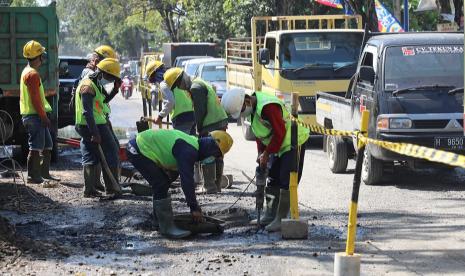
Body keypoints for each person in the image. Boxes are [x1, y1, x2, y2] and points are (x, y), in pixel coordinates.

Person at [221, 89, 310, 232]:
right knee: (273, 176)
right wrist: (261, 153)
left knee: (286, 180)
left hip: (293, 140)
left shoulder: (268, 107)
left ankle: (281, 219)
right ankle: (270, 215)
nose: (242, 114)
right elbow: (260, 134)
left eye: (242, 110)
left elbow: (280, 132)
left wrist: (267, 153)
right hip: (277, 145)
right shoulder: (253, 111)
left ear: (248, 100)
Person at [126, 129, 233, 238]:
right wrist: (194, 208)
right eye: (217, 154)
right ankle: (166, 228)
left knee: (162, 183)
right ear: (212, 148)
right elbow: (187, 181)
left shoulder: (192, 143)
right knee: (160, 184)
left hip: (139, 147)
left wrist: (168, 182)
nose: (214, 158)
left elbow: (174, 174)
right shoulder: (189, 151)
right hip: (138, 149)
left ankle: (158, 220)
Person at [164, 68, 229, 194]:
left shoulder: (195, 88)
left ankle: (209, 186)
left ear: (182, 78)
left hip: (211, 122)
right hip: (219, 119)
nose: (180, 88)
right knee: (217, 152)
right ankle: (216, 186)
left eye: (178, 84)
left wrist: (199, 130)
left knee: (207, 151)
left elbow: (200, 111)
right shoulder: (197, 82)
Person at [74, 58, 122, 198]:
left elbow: (103, 101)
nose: (110, 81)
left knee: (91, 154)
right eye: (110, 78)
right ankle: (112, 188)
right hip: (93, 124)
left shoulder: (96, 83)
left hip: (91, 124)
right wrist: (95, 133)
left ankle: (89, 190)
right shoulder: (88, 86)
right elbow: (87, 111)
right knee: (111, 152)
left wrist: (115, 89)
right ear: (101, 74)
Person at [20, 40, 60, 184]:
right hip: (34, 116)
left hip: (35, 115)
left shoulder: (28, 71)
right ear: (38, 57)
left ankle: (44, 173)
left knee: (48, 145)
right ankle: (33, 176)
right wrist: (43, 116)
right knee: (36, 147)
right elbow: (35, 99)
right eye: (42, 55)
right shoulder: (32, 74)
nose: (43, 58)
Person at [144, 61, 196, 135]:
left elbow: (170, 102)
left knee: (184, 143)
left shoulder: (164, 83)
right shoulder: (175, 77)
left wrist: (160, 117)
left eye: (153, 79)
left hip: (180, 118)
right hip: (192, 114)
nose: (155, 82)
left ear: (154, 75)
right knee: (193, 142)